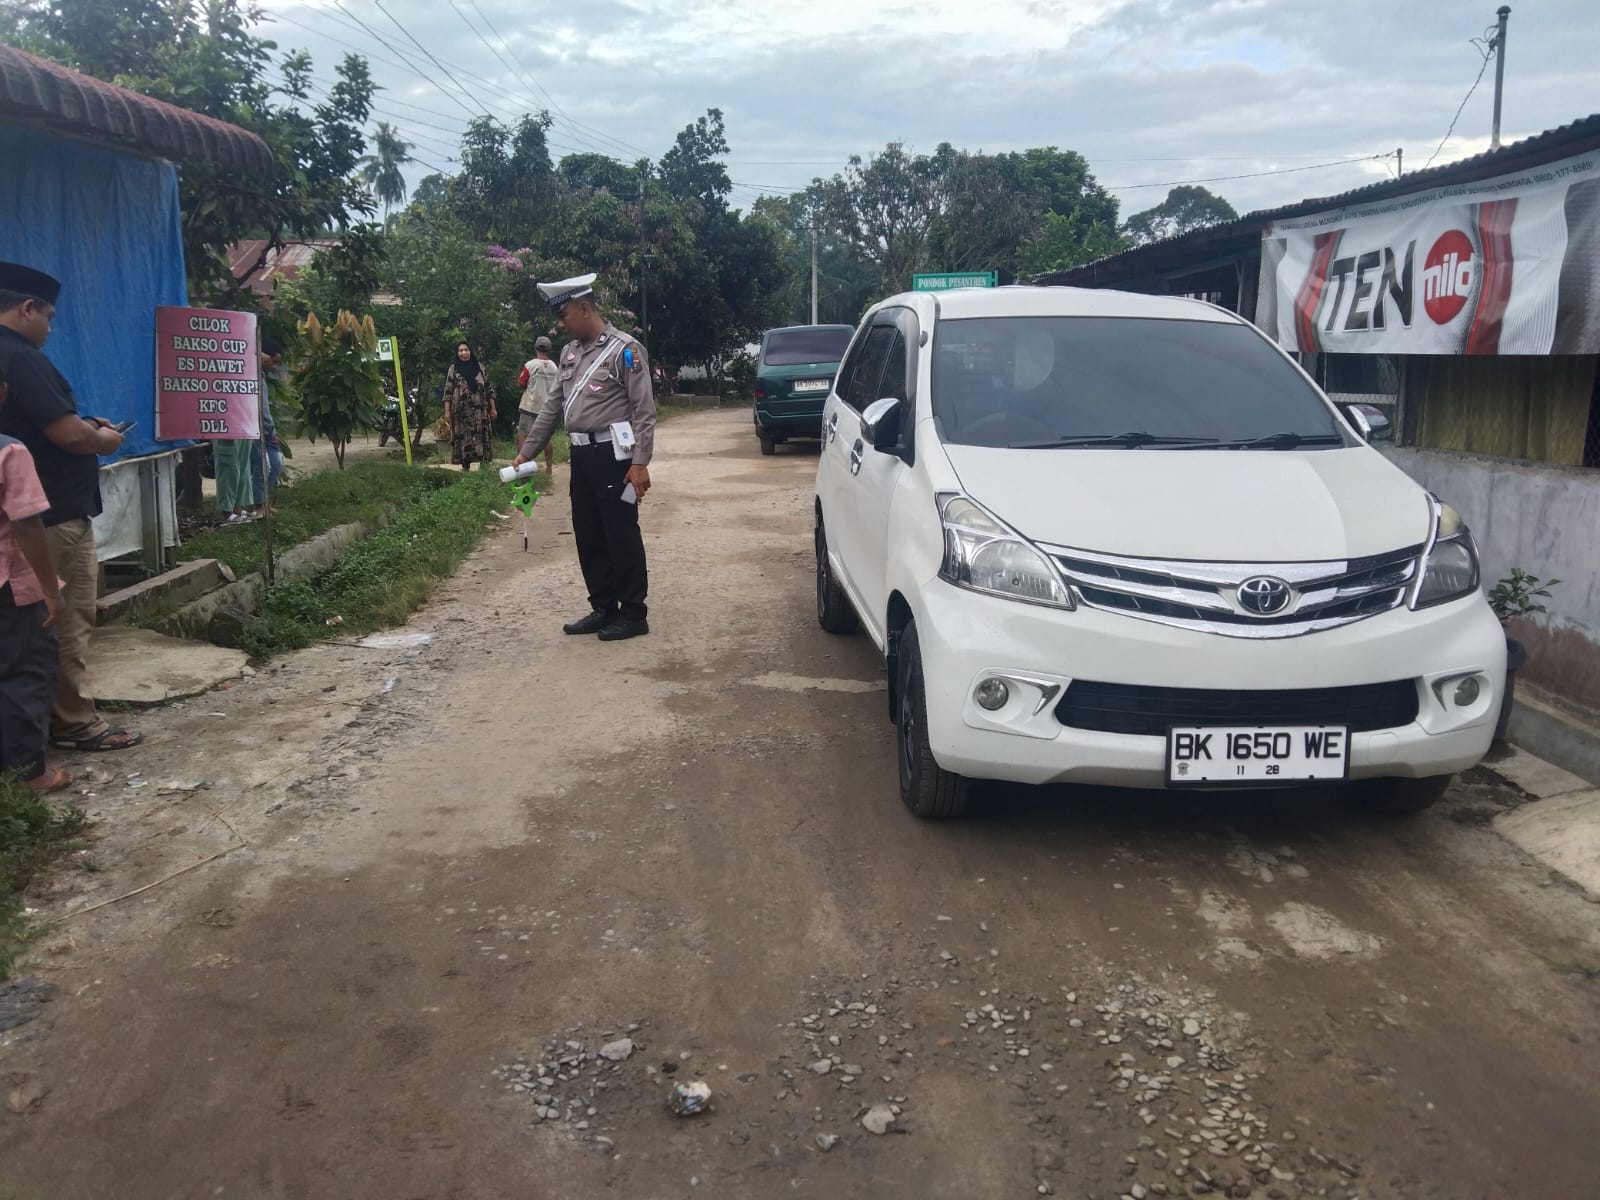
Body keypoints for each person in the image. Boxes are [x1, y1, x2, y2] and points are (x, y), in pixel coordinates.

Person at [0, 261, 140, 753]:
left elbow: (36, 421)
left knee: (22, 632)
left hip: (15, 520)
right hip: (50, 517)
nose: (51, 327)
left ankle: (35, 729)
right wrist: (100, 438)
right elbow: (65, 435)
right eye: (49, 316)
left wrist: (82, 420)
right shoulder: (20, 357)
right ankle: (74, 724)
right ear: (26, 308)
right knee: (63, 620)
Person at [512, 273, 655, 642]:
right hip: (581, 456)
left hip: (615, 456)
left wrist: (640, 463)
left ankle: (633, 612)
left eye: (564, 316)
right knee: (589, 533)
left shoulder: (625, 350)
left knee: (619, 532)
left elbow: (643, 412)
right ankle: (604, 607)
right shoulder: (569, 353)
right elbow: (552, 408)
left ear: (585, 308)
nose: (560, 325)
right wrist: (526, 451)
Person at [0, 363, 68, 792]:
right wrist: (49, 588)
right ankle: (29, 774)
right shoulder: (10, 452)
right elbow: (26, 525)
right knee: (24, 674)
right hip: (11, 586)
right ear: (3, 392)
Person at [443, 341, 496, 471]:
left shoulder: (480, 367)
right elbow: (448, 391)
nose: (463, 353)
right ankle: (465, 466)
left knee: (481, 436)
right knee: (463, 438)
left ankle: (484, 466)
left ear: (470, 351)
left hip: (480, 411)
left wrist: (493, 408)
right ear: (457, 353)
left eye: (466, 350)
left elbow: (489, 388)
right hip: (461, 413)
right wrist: (447, 412)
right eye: (460, 350)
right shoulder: (453, 369)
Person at [250, 336, 286, 519]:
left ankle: (266, 501)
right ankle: (259, 507)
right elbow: (251, 353)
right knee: (262, 466)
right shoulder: (251, 370)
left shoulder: (262, 375)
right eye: (273, 361)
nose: (275, 366)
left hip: (268, 429)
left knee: (276, 464)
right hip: (255, 429)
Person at [516, 336, 558, 476]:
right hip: (546, 408)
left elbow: (521, 383)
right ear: (549, 349)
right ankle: (549, 468)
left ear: (535, 348)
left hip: (529, 406)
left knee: (523, 435)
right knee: (545, 439)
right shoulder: (554, 366)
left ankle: (523, 469)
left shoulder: (530, 365)